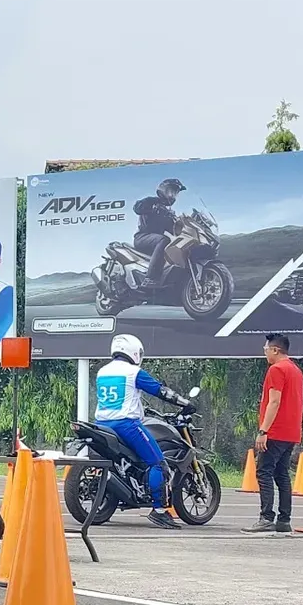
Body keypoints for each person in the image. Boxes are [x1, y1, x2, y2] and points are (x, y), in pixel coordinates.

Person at [93, 333, 194, 530]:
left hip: (101, 423)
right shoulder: (133, 372)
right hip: (126, 425)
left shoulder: (102, 371)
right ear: (134, 352)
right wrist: (185, 403)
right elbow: (160, 391)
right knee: (158, 463)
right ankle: (159, 511)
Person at [243, 333, 303, 535]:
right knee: (282, 475)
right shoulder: (295, 370)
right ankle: (284, 519)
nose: (265, 352)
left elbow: (274, 401)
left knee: (264, 472)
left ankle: (266, 517)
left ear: (275, 350)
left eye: (266, 349)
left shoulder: (277, 369)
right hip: (291, 432)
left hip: (276, 431)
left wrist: (263, 430)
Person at [132, 177, 186, 289]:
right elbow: (137, 208)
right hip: (142, 238)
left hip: (156, 243)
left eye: (175, 193)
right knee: (164, 239)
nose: (173, 195)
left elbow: (176, 231)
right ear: (163, 190)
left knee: (175, 245)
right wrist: (152, 202)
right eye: (172, 191)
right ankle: (150, 278)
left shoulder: (169, 213)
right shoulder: (151, 202)